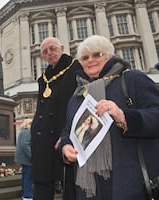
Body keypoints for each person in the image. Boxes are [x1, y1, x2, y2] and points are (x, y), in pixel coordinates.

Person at [59, 35, 159, 199]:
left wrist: (124, 117)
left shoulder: (132, 79)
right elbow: (68, 130)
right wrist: (65, 146)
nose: (90, 60)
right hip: (88, 187)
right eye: (85, 57)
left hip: (128, 180)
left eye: (97, 55)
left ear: (110, 56)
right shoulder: (77, 94)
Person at [31, 36, 82, 200]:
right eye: (45, 51)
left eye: (52, 48)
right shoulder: (43, 78)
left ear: (62, 48)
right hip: (42, 139)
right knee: (41, 184)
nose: (49, 53)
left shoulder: (76, 68)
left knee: (70, 184)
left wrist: (67, 134)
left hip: (63, 136)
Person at [15, 118, 33, 200]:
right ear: (27, 124)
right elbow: (25, 146)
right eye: (30, 124)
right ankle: (27, 195)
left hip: (23, 159)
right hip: (26, 159)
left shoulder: (22, 132)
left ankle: (25, 193)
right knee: (28, 177)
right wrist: (32, 156)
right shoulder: (26, 132)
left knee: (25, 176)